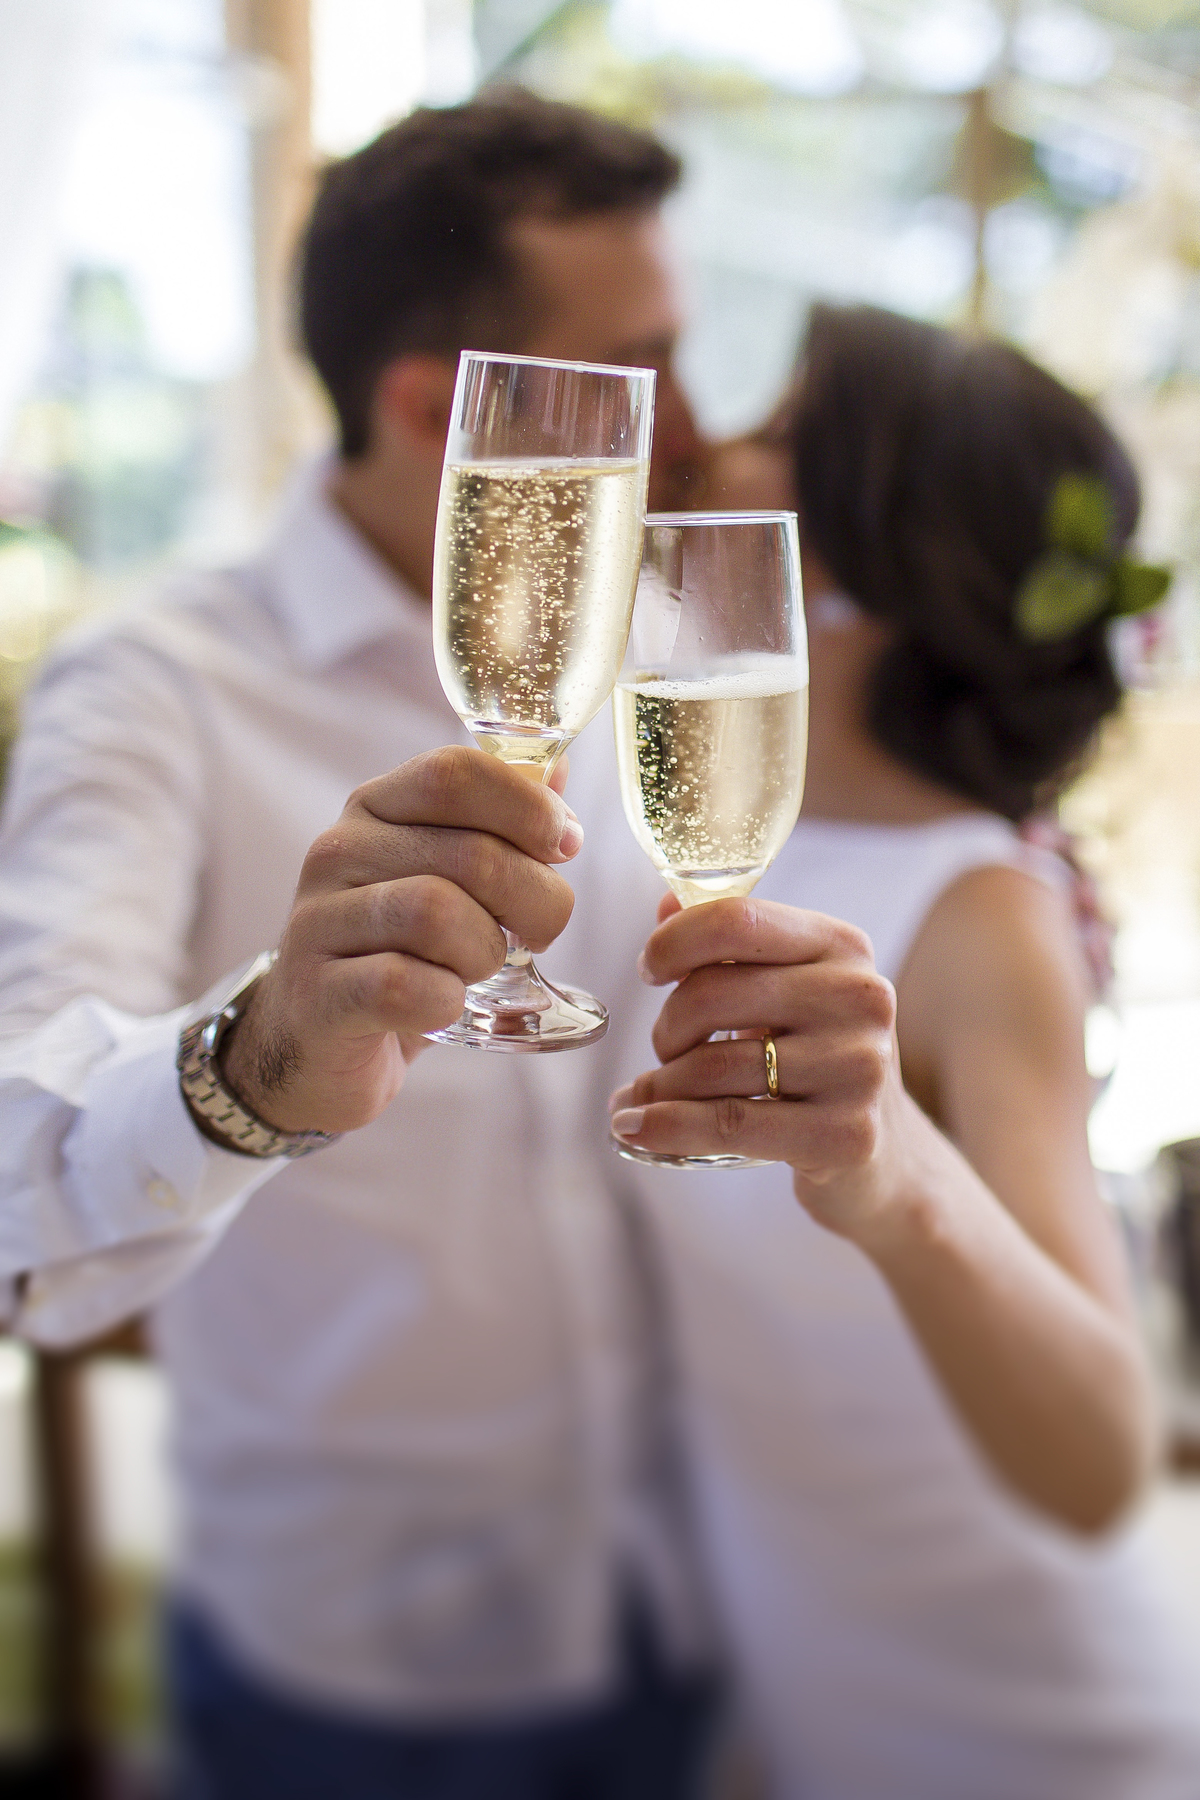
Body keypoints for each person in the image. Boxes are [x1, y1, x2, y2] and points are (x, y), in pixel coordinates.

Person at [0, 94, 892, 1800]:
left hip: (691, 1603)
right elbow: (13, 1207)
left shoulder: (665, 644)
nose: (696, 424)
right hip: (365, 1674)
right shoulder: (156, 692)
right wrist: (255, 1065)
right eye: (636, 372)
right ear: (449, 413)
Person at [609, 304, 1200, 1797]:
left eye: (781, 430)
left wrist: (893, 1177)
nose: (716, 442)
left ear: (848, 576)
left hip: (1018, 1738)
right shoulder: (715, 836)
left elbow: (1100, 1460)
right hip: (805, 1707)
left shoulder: (978, 911)